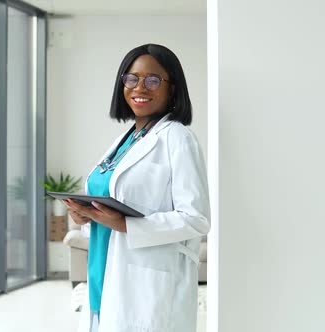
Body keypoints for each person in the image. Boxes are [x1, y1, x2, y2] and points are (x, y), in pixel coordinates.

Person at [64, 43, 211, 332]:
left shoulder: (178, 138)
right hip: (102, 271)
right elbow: (107, 205)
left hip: (144, 286)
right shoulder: (125, 139)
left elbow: (197, 218)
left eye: (153, 80)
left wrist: (127, 225)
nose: (139, 87)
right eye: (131, 79)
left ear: (172, 89)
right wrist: (84, 217)